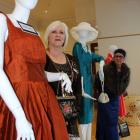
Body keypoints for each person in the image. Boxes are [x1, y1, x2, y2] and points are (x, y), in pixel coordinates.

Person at [0, 0, 73, 140]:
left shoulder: (34, 32)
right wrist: (19, 115)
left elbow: (38, 73)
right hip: (19, 100)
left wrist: (60, 75)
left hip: (44, 99)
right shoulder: (2, 20)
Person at [44, 21, 82, 139]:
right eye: (53, 32)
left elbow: (78, 88)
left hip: (71, 115)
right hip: (49, 114)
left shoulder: (72, 60)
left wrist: (76, 110)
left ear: (65, 37)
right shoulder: (41, 58)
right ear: (48, 36)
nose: (58, 35)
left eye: (61, 33)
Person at [70, 22, 104, 140]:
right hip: (82, 83)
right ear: (78, 32)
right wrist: (82, 87)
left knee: (89, 114)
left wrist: (101, 60)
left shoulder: (87, 47)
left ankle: (88, 138)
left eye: (86, 30)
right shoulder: (78, 46)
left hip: (89, 82)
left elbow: (95, 57)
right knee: (84, 115)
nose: (84, 32)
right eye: (82, 30)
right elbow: (81, 62)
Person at [95, 48, 130, 140]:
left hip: (115, 100)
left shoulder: (126, 71)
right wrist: (99, 94)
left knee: (112, 122)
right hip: (105, 100)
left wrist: (122, 91)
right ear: (113, 58)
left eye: (120, 56)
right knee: (103, 122)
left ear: (124, 59)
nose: (118, 58)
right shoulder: (105, 68)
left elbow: (123, 86)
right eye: (116, 56)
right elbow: (97, 82)